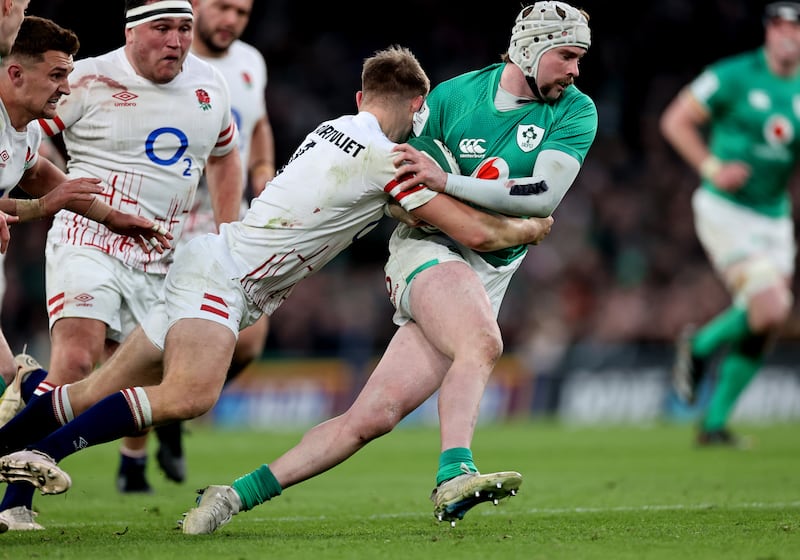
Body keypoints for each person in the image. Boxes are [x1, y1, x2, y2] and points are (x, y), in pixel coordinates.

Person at [0, 44, 554, 533]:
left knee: (92, 391)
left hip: (214, 262)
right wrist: (530, 226)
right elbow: (476, 232)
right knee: (191, 395)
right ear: (418, 107)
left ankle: (13, 480)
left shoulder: (334, 129)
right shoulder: (389, 159)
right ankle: (40, 454)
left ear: (361, 98)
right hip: (227, 279)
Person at [175, 1, 597, 533]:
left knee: (371, 418)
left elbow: (542, 193)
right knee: (483, 343)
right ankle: (454, 473)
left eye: (579, 58)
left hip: (488, 274)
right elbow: (402, 193)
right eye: (566, 56)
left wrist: (450, 184)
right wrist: (457, 200)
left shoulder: (578, 111)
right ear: (531, 48)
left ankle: (231, 496)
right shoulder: (453, 96)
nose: (575, 70)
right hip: (427, 250)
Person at [0, 0, 242, 530]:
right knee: (77, 358)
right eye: (162, 29)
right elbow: (21, 140)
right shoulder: (82, 79)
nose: (175, 41)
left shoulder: (212, 87)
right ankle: (15, 501)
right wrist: (60, 197)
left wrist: (228, 232)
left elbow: (225, 157)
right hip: (89, 237)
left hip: (162, 256)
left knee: (112, 383)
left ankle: (21, 413)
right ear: (132, 33)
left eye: (184, 29)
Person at [116, 0, 277, 492]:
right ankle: (134, 456)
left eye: (244, 13)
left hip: (227, 212)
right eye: (223, 8)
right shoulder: (163, 61)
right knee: (149, 339)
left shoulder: (251, 61)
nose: (231, 20)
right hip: (163, 216)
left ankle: (173, 410)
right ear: (198, 5)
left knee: (249, 340)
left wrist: (262, 171)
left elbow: (258, 124)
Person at [0, 16, 172, 429]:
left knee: (10, 379)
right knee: (20, 378)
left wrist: (112, 217)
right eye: (57, 75)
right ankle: (25, 453)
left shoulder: (23, 131)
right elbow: (42, 192)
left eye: (69, 75)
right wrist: (43, 207)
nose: (65, 87)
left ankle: (21, 448)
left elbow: (36, 170)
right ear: (16, 74)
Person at [660, 1, 800, 447]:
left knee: (767, 321)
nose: (788, 35)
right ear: (768, 31)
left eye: (795, 28)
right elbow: (675, 121)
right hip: (727, 209)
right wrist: (712, 167)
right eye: (780, 25)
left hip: (775, 216)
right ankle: (699, 346)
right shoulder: (732, 74)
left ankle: (715, 425)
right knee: (772, 305)